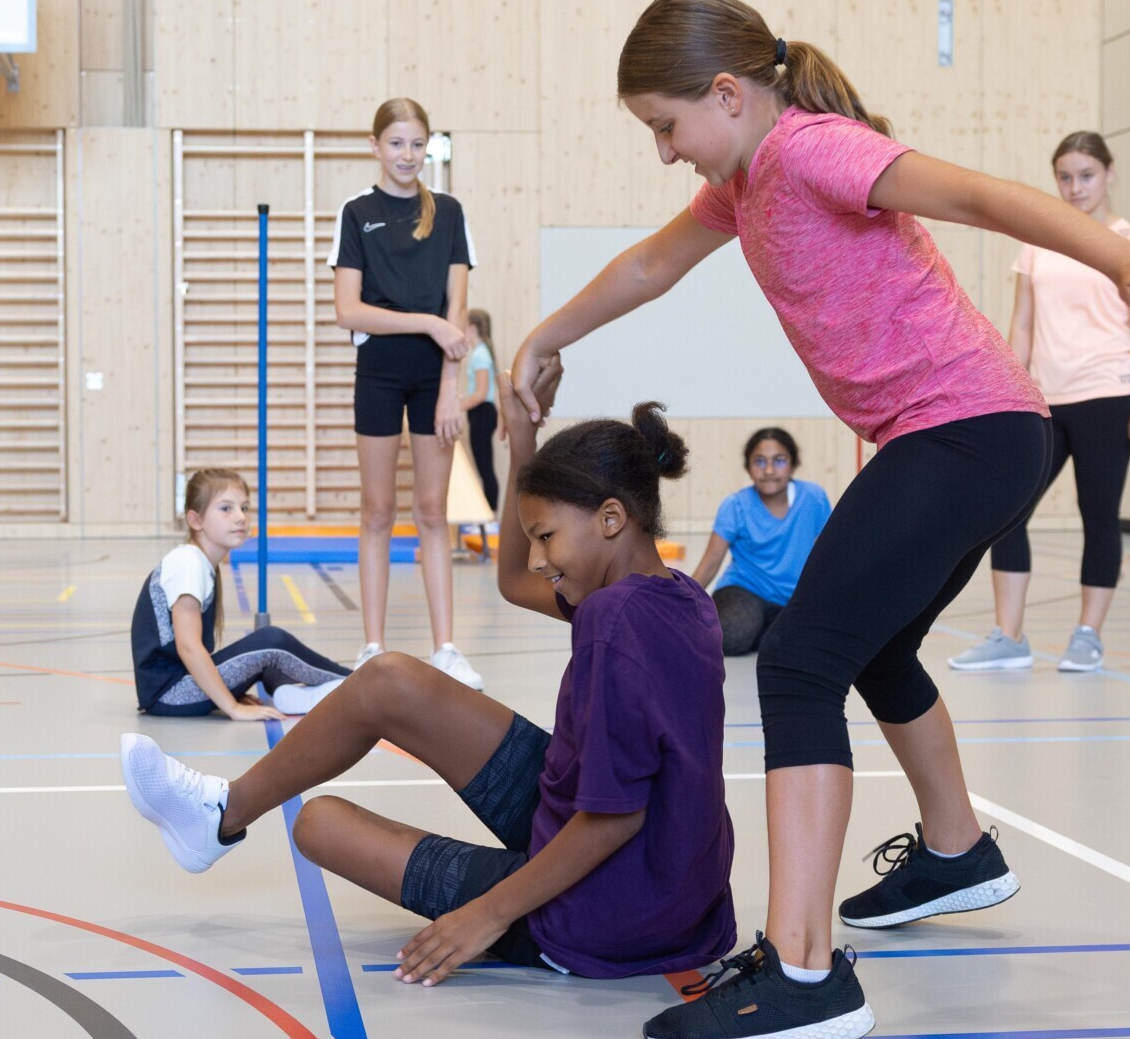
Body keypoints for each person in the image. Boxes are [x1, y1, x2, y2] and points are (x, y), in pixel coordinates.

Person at [509, 0, 1130, 1039]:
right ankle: (957, 844)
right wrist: (545, 337)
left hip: (967, 429)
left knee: (798, 661)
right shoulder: (743, 183)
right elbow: (651, 265)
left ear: (729, 93)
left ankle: (802, 970)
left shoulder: (810, 150)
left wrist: (1124, 262)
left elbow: (979, 193)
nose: (663, 151)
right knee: (871, 642)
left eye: (665, 125)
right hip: (970, 434)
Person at [119, 372, 736, 987]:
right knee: (387, 678)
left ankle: (221, 818)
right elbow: (515, 581)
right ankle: (220, 813)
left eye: (546, 536)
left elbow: (616, 817)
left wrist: (484, 916)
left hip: (606, 910)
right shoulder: (676, 596)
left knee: (319, 823)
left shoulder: (612, 617)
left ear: (609, 518)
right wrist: (522, 441)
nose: (540, 557)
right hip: (676, 890)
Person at [949, 131, 1130, 675]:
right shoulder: (1040, 243)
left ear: (1109, 174)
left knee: (1098, 516)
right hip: (1043, 398)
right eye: (1064, 177)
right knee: (1007, 512)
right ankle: (1008, 637)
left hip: (1108, 394)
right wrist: (1006, 388)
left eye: (1086, 175)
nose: (1075, 187)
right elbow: (1021, 324)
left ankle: (1088, 635)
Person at [329, 98, 482, 689]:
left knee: (431, 513)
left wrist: (450, 391)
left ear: (428, 148)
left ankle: (446, 647)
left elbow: (458, 311)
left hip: (434, 377)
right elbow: (348, 310)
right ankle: (372, 645)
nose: (407, 155)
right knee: (378, 511)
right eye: (396, 143)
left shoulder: (448, 212)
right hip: (379, 371)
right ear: (375, 147)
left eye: (417, 144)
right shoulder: (356, 213)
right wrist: (425, 323)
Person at [130, 469, 350, 719]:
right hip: (169, 693)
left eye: (244, 508)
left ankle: (293, 692)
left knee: (266, 657)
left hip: (179, 685)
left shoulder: (202, 563)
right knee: (271, 641)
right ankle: (355, 681)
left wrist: (231, 691)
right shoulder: (187, 563)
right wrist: (232, 707)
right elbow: (189, 647)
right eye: (226, 509)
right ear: (195, 520)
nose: (240, 517)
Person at [690, 427, 831, 656]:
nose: (768, 470)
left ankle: (766, 631)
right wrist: (677, 606)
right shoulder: (735, 505)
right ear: (748, 467)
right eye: (759, 461)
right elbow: (710, 564)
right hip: (743, 589)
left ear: (793, 465)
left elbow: (827, 557)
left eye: (779, 460)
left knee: (803, 643)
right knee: (733, 636)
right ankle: (760, 631)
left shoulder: (814, 498)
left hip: (792, 599)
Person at [460, 307, 502, 519]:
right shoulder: (480, 352)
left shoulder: (480, 354)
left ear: (472, 327)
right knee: (482, 466)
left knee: (485, 466)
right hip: (481, 414)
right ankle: (487, 514)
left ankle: (491, 516)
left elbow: (480, 393)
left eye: (465, 326)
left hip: (483, 413)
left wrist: (456, 406)